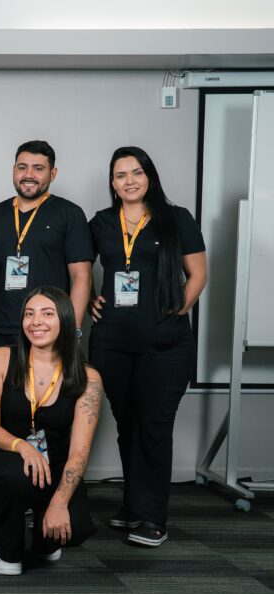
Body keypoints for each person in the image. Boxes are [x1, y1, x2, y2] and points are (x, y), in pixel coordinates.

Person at [88, 146, 208, 547]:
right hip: (112, 344)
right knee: (128, 425)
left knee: (154, 427)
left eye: (136, 172)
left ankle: (154, 519)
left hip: (166, 345)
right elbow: (77, 269)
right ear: (112, 183)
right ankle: (133, 505)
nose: (129, 181)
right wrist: (87, 299)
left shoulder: (177, 219)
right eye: (120, 175)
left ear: (150, 176)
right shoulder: (102, 222)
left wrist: (179, 308)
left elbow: (198, 273)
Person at [0, 287, 103, 576]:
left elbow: (79, 451)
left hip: (55, 464)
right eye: (29, 314)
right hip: (3, 458)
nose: (36, 322)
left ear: (65, 320)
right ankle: (8, 547)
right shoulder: (1, 358)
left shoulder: (88, 378)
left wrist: (59, 503)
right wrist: (23, 447)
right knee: (15, 478)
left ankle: (43, 531)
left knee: (76, 528)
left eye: (47, 314)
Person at [0, 140, 93, 351]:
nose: (28, 175)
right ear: (14, 170)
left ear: (53, 173)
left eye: (38, 168)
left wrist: (72, 330)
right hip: (2, 330)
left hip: (50, 330)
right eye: (22, 167)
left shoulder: (69, 213)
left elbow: (81, 275)